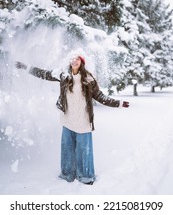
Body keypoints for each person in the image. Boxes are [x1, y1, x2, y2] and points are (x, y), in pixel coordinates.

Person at [15, 55, 129, 185]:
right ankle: (67, 174)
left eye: (78, 59)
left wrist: (118, 103)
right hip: (67, 120)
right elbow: (44, 74)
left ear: (82, 63)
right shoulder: (63, 75)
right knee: (67, 150)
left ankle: (85, 176)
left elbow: (100, 96)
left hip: (83, 122)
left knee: (84, 151)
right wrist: (26, 67)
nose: (74, 61)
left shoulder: (89, 79)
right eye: (72, 59)